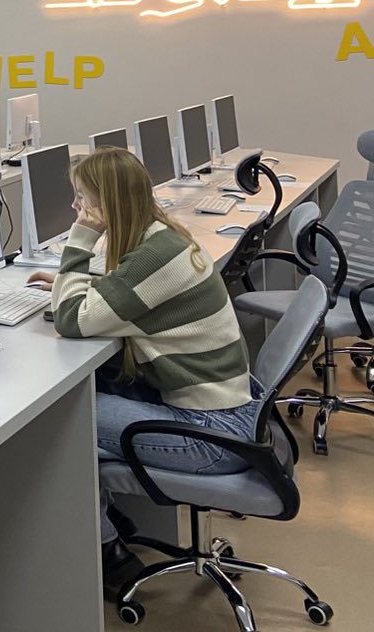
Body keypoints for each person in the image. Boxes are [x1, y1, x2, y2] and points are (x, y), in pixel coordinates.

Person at [28, 147, 258, 601]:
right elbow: (129, 293)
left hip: (212, 437)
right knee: (96, 386)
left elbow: (72, 320)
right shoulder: (161, 239)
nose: (75, 207)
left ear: (108, 202)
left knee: (60, 419)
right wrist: (88, 287)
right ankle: (111, 520)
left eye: (82, 198)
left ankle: (107, 548)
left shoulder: (156, 256)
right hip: (226, 415)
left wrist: (79, 241)